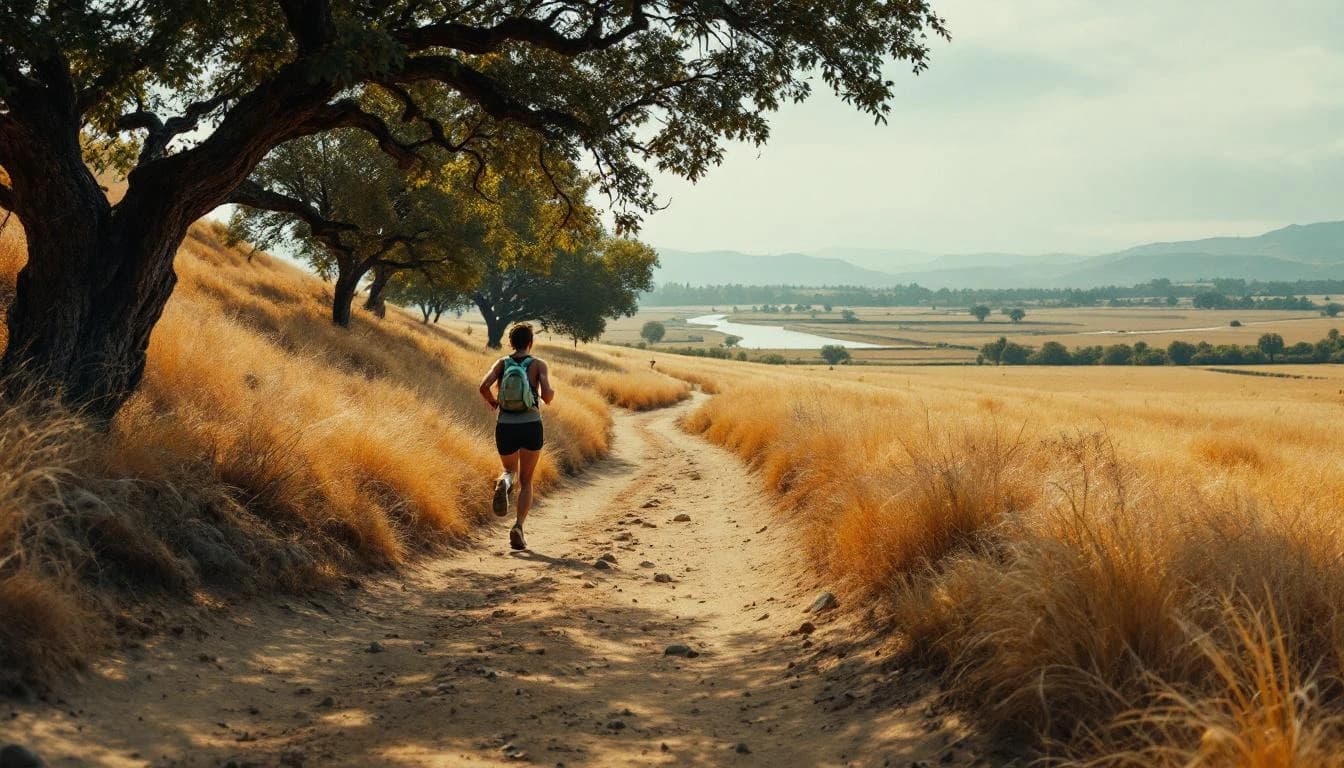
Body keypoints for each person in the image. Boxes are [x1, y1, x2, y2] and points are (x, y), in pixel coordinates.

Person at [478, 323, 555, 550]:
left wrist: (495, 404)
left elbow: (483, 386)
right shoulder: (539, 364)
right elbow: (548, 395)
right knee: (527, 481)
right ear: (530, 342)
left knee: (510, 470)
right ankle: (518, 527)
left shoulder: (502, 363)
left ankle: (504, 482)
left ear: (511, 342)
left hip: (506, 425)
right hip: (531, 424)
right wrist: (547, 395)